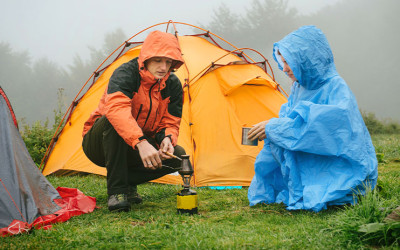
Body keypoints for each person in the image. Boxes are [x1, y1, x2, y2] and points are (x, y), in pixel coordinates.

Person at [247, 26, 378, 212]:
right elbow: (290, 119)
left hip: (340, 162)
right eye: (282, 62)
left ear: (306, 60)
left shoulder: (335, 86)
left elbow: (328, 128)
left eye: (289, 62)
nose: (284, 69)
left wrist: (275, 127)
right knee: (274, 137)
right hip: (310, 157)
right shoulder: (299, 86)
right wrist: (271, 128)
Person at [82, 30, 186, 212]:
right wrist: (141, 142)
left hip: (135, 144)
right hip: (100, 144)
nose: (164, 67)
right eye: (158, 60)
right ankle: (118, 192)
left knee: (178, 156)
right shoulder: (126, 73)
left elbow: (171, 121)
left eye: (169, 62)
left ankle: (126, 181)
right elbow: (116, 109)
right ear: (146, 58)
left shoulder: (173, 85)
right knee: (112, 120)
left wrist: (166, 139)